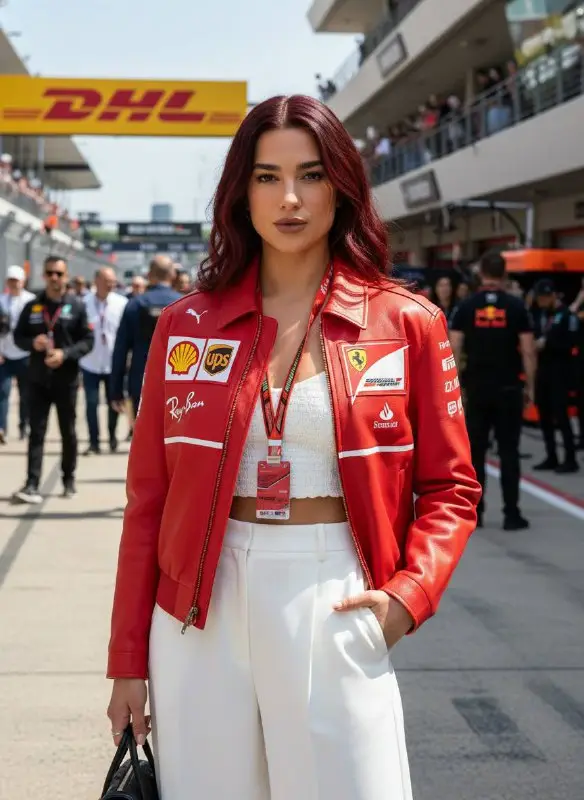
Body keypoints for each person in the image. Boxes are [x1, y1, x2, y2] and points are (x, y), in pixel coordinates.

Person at [106, 94, 480, 800]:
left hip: (336, 588)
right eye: (266, 177)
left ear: (341, 187)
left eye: (310, 175)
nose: (289, 199)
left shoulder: (406, 321)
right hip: (195, 610)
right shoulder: (186, 326)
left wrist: (406, 598)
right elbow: (146, 505)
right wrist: (128, 659)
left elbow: (452, 488)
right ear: (239, 192)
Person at [449, 250, 536, 530]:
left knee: (475, 453)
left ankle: (476, 513)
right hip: (509, 388)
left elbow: (453, 348)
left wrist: (454, 386)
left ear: (481, 273)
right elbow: (528, 350)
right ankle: (512, 513)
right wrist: (530, 386)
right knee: (509, 451)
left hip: (476, 389)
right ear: (504, 274)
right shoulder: (517, 306)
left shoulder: (465, 306)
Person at [11, 256, 94, 503]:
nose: (54, 278)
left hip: (66, 380)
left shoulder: (76, 306)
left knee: (68, 431)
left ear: (65, 276)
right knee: (36, 432)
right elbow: (18, 337)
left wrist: (65, 353)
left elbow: (88, 341)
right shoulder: (33, 305)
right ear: (44, 276)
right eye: (49, 273)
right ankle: (32, 483)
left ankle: (68, 478)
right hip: (37, 379)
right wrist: (31, 343)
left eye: (58, 273)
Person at [110, 256, 180, 418]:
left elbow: (120, 350)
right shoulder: (184, 304)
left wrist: (116, 391)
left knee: (143, 437)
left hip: (141, 381)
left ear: (149, 275)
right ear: (173, 275)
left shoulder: (134, 304)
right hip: (176, 383)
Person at [532, 279, 579, 473]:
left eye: (544, 298)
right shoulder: (541, 314)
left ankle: (570, 458)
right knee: (544, 415)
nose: (541, 302)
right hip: (543, 371)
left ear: (552, 296)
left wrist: (548, 344)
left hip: (561, 372)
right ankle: (551, 455)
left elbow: (572, 344)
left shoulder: (567, 315)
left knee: (561, 416)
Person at [80, 267, 128, 454]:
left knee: (114, 403)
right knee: (91, 404)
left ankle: (112, 436)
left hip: (113, 363)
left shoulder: (122, 303)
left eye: (113, 281)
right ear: (97, 281)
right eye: (107, 281)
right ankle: (93, 441)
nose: (111, 285)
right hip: (90, 362)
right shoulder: (83, 303)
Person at [0, 265, 36, 443]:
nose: (14, 284)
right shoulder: (1, 301)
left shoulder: (31, 301)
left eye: (17, 281)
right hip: (5, 355)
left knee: (26, 394)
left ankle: (24, 425)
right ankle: (2, 429)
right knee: (2, 393)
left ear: (23, 282)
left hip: (25, 355)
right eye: (11, 281)